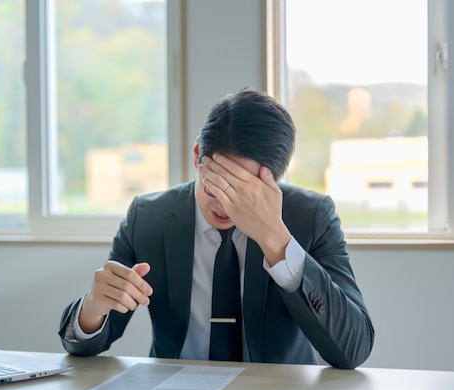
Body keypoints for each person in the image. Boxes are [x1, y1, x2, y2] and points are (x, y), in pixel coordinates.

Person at [58, 87, 374, 369]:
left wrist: (274, 237)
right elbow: (86, 343)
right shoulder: (148, 217)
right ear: (198, 157)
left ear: (274, 181)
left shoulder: (311, 216)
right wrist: (93, 309)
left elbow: (353, 350)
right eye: (216, 186)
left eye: (243, 192)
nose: (224, 206)